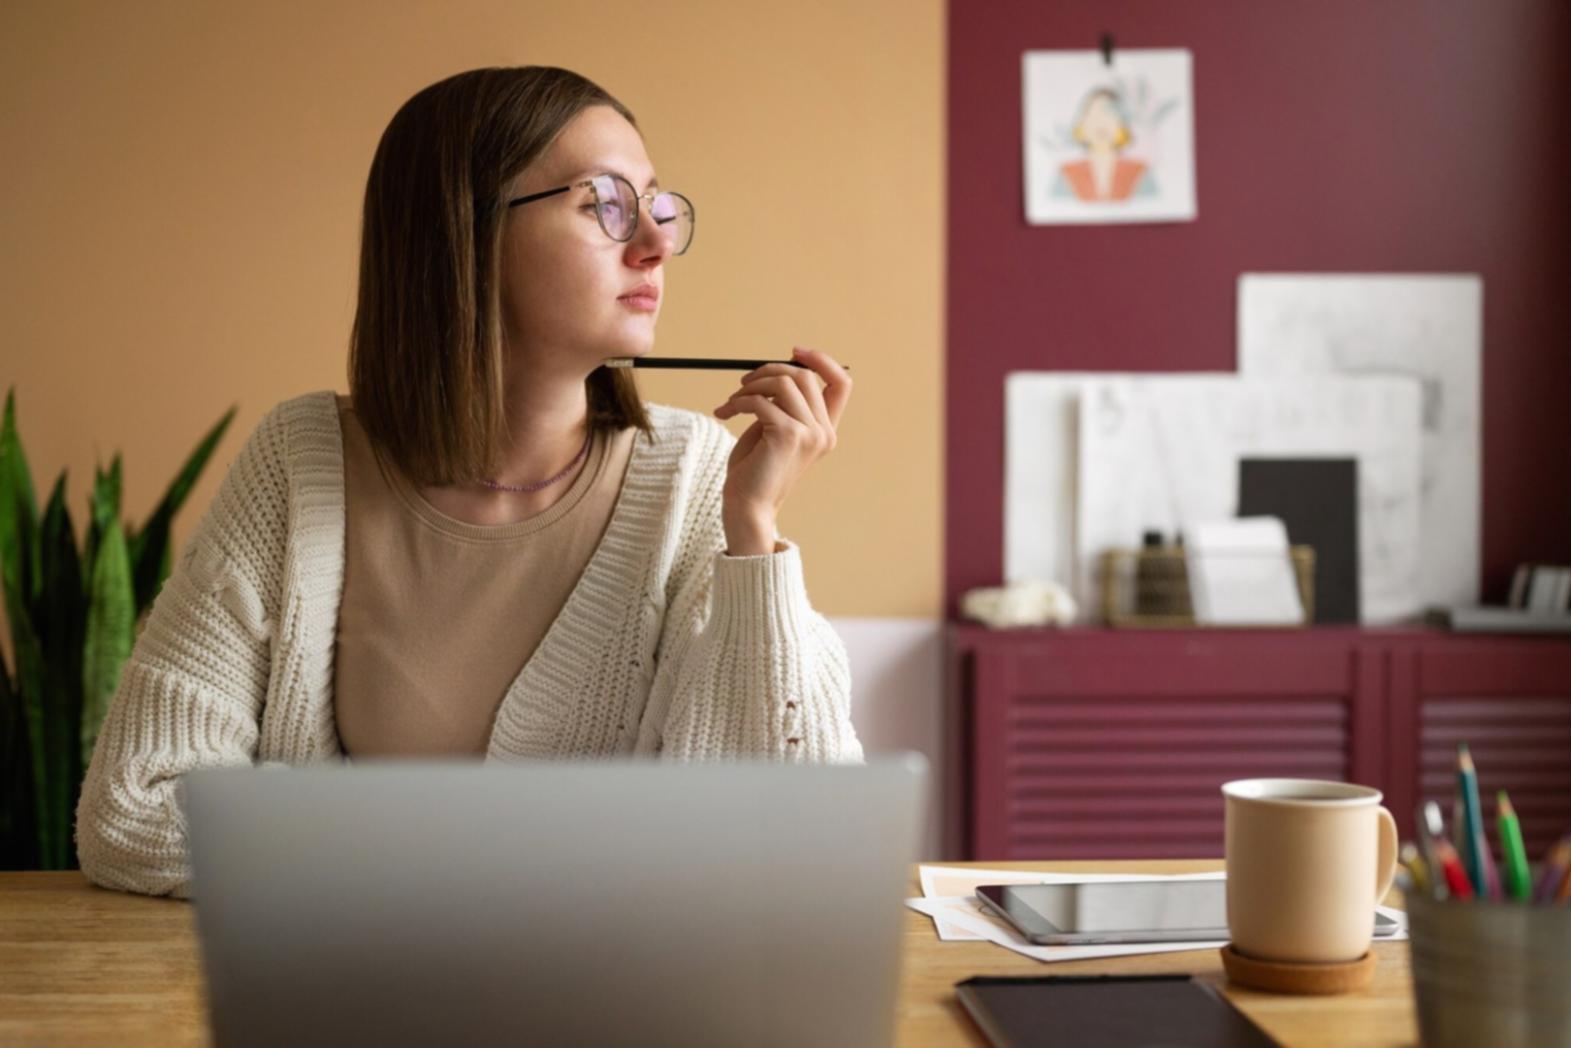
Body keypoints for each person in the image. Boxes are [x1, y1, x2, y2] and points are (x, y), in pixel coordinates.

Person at [74, 66, 862, 899]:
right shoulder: (300, 463)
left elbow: (794, 834)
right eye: (606, 204)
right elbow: (136, 814)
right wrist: (517, 871)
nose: (656, 243)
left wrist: (753, 532)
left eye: (659, 206)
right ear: (464, 231)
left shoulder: (699, 478)